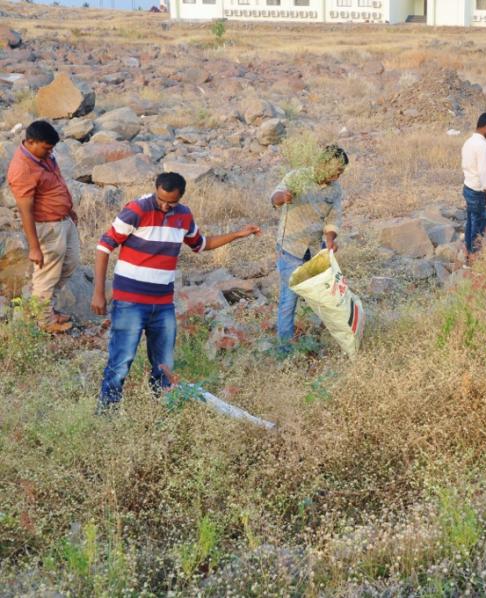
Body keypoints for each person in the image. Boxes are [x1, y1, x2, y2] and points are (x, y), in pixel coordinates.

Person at [91, 172, 260, 409]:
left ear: (180, 197)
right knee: (121, 362)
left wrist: (237, 234)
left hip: (162, 304)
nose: (164, 206)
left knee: (165, 365)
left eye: (170, 202)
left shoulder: (183, 215)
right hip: (130, 301)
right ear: (156, 189)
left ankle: (163, 408)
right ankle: (107, 413)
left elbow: (202, 244)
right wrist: (99, 292)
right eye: (160, 199)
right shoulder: (137, 210)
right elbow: (104, 246)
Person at [269, 145, 347, 353]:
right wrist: (283, 197)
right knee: (289, 300)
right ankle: (284, 352)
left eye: (341, 172)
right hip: (290, 248)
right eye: (336, 170)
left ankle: (321, 340)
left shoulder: (335, 189)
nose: (338, 176)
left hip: (315, 249)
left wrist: (330, 239)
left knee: (324, 294)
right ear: (322, 164)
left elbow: (333, 218)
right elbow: (274, 197)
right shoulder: (297, 177)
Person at [5, 121, 79, 333]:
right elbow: (25, 211)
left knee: (70, 264)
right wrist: (34, 247)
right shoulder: (22, 168)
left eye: (52, 148)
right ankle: (44, 321)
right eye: (46, 148)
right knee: (47, 275)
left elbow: (55, 183)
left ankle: (46, 309)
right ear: (30, 142)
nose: (50, 152)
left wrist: (69, 209)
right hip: (47, 227)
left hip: (63, 220)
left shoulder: (43, 156)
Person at [460, 112, 486, 264]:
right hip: (479, 192)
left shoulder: (468, 142)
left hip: (468, 187)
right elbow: (484, 172)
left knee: (471, 222)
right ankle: (474, 259)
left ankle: (468, 252)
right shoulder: (482, 146)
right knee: (479, 227)